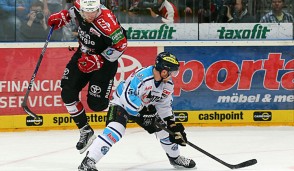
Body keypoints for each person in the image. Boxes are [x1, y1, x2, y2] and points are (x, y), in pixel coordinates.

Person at [78, 52, 196, 171]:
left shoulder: (168, 84)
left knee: (166, 132)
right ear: (164, 71)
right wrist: (144, 112)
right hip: (121, 103)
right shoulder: (142, 76)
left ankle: (175, 158)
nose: (172, 76)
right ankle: (88, 162)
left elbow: (164, 106)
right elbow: (127, 98)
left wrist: (173, 125)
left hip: (143, 109)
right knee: (115, 131)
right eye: (172, 72)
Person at [47, 0, 128, 154]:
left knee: (96, 105)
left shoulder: (108, 24)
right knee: (67, 92)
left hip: (104, 63)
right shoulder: (78, 6)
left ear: (98, 8)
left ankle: (121, 105)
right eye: (86, 12)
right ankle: (85, 130)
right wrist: (62, 17)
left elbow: (121, 45)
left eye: (93, 11)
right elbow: (71, 12)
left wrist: (100, 59)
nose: (90, 15)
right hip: (83, 54)